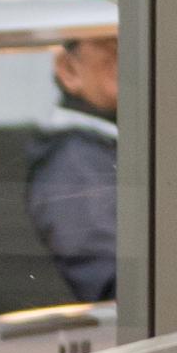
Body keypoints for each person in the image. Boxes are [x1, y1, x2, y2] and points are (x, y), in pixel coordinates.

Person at [23, 29, 119, 303]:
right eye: (110, 50)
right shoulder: (74, 162)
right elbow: (111, 283)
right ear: (69, 70)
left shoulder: (95, 150)